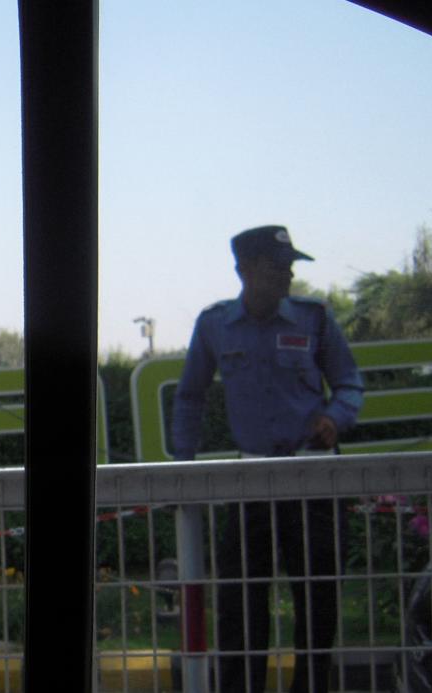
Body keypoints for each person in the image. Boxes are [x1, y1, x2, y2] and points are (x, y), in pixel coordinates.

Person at [171, 225, 364, 693]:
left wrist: (335, 418)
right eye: (278, 266)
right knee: (240, 605)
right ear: (245, 270)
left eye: (291, 266)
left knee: (318, 602)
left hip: (312, 476)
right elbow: (189, 397)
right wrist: (183, 467)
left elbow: (349, 383)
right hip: (249, 481)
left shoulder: (313, 317)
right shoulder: (215, 323)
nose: (289, 275)